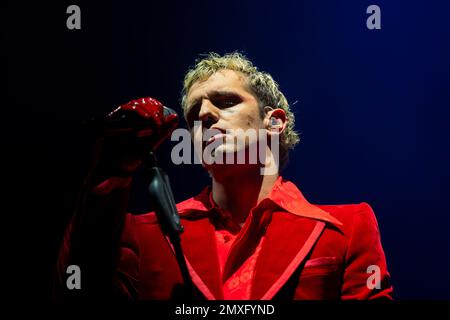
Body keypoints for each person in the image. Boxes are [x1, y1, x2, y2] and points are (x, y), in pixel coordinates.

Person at [54, 52, 393, 300]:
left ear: (274, 122)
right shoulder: (144, 233)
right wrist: (108, 176)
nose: (204, 114)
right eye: (194, 112)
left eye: (226, 101)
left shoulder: (347, 227)